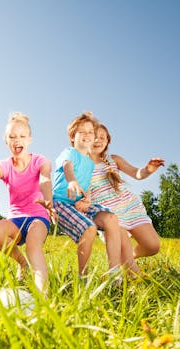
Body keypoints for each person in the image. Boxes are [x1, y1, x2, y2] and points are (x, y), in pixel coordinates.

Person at [0, 112, 57, 297]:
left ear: (29, 139)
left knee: (33, 245)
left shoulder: (40, 161)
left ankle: (42, 295)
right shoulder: (5, 165)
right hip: (16, 220)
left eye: (21, 136)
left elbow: (45, 179)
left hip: (38, 217)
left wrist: (48, 199)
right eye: (12, 137)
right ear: (6, 141)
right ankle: (22, 263)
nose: (17, 140)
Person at [52, 112, 123, 280]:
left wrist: (87, 199)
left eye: (90, 132)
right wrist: (71, 181)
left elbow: (87, 185)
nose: (87, 135)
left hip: (80, 203)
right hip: (61, 203)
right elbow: (67, 166)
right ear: (72, 136)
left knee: (111, 219)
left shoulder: (90, 163)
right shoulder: (69, 152)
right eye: (82, 132)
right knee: (89, 228)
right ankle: (82, 277)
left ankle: (115, 273)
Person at [88, 123, 165, 268]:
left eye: (102, 138)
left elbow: (137, 173)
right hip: (108, 213)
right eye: (94, 137)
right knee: (124, 250)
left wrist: (148, 169)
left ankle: (129, 256)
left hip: (129, 206)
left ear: (107, 142)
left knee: (153, 246)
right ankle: (129, 266)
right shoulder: (81, 165)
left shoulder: (114, 159)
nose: (98, 140)